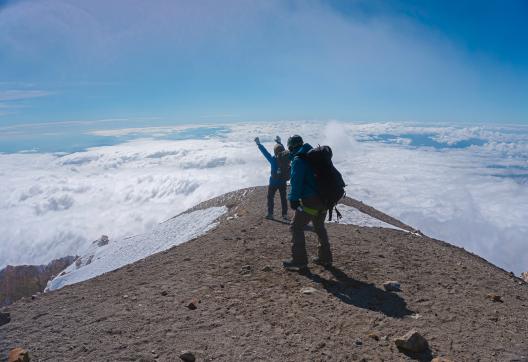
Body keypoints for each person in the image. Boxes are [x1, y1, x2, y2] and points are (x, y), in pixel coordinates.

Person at [283, 135, 332, 272]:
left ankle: (299, 261)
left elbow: (296, 182)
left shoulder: (299, 160)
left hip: (311, 201)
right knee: (319, 226)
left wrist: (293, 199)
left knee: (296, 227)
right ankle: (325, 258)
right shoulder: (314, 156)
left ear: (291, 147)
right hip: (325, 199)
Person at [254, 136, 289, 220]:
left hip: (273, 183)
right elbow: (282, 151)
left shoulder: (273, 159)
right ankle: (285, 214)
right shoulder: (286, 159)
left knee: (270, 198)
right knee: (283, 199)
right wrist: (279, 143)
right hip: (283, 182)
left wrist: (259, 144)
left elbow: (265, 152)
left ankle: (270, 214)